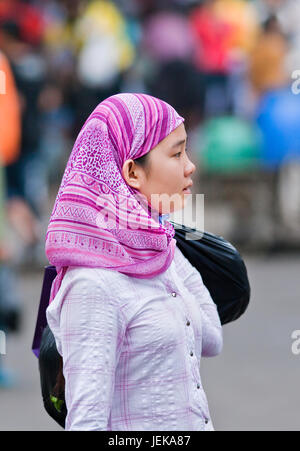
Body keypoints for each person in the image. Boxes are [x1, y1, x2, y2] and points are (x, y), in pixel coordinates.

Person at [45, 93, 223, 431]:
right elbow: (86, 423)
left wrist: (163, 238)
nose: (190, 165)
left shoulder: (157, 254)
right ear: (132, 171)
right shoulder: (92, 285)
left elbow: (212, 337)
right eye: (177, 153)